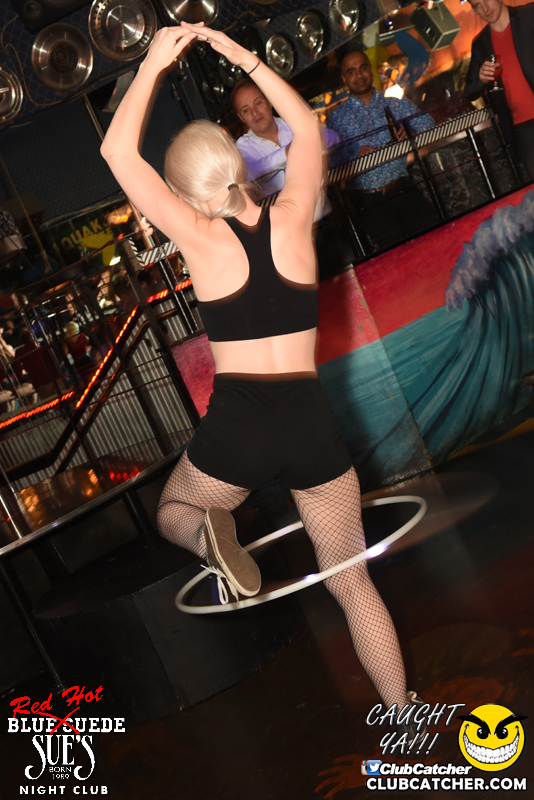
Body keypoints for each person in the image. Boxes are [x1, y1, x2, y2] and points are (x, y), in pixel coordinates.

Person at [100, 21, 423, 733]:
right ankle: (405, 720)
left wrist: (153, 65)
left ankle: (211, 538)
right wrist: (241, 55)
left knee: (174, 511)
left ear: (190, 191)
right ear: (237, 163)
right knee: (350, 579)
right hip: (308, 420)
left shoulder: (197, 236)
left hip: (241, 423)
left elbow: (116, 151)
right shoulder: (296, 214)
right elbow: (303, 125)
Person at [232, 79, 355, 276]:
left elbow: (333, 138)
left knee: (355, 278)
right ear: (241, 117)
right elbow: (253, 172)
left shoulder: (292, 122)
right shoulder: (242, 148)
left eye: (258, 103)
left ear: (269, 101)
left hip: (326, 221)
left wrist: (306, 143)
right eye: (246, 110)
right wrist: (291, 151)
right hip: (291, 239)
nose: (255, 113)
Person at [327, 49, 436, 251]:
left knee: (432, 246)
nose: (359, 75)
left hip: (405, 190)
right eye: (351, 71)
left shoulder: (393, 102)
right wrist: (355, 155)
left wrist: (411, 131)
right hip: (370, 204)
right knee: (395, 260)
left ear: (371, 70)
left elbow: (428, 123)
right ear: (344, 79)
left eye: (363, 68)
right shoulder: (337, 118)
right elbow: (331, 161)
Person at [463, 0, 534, 180]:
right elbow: (469, 91)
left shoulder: (529, 14)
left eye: (486, 0)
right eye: (477, 5)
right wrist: (481, 79)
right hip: (522, 130)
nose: (485, 8)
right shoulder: (481, 43)